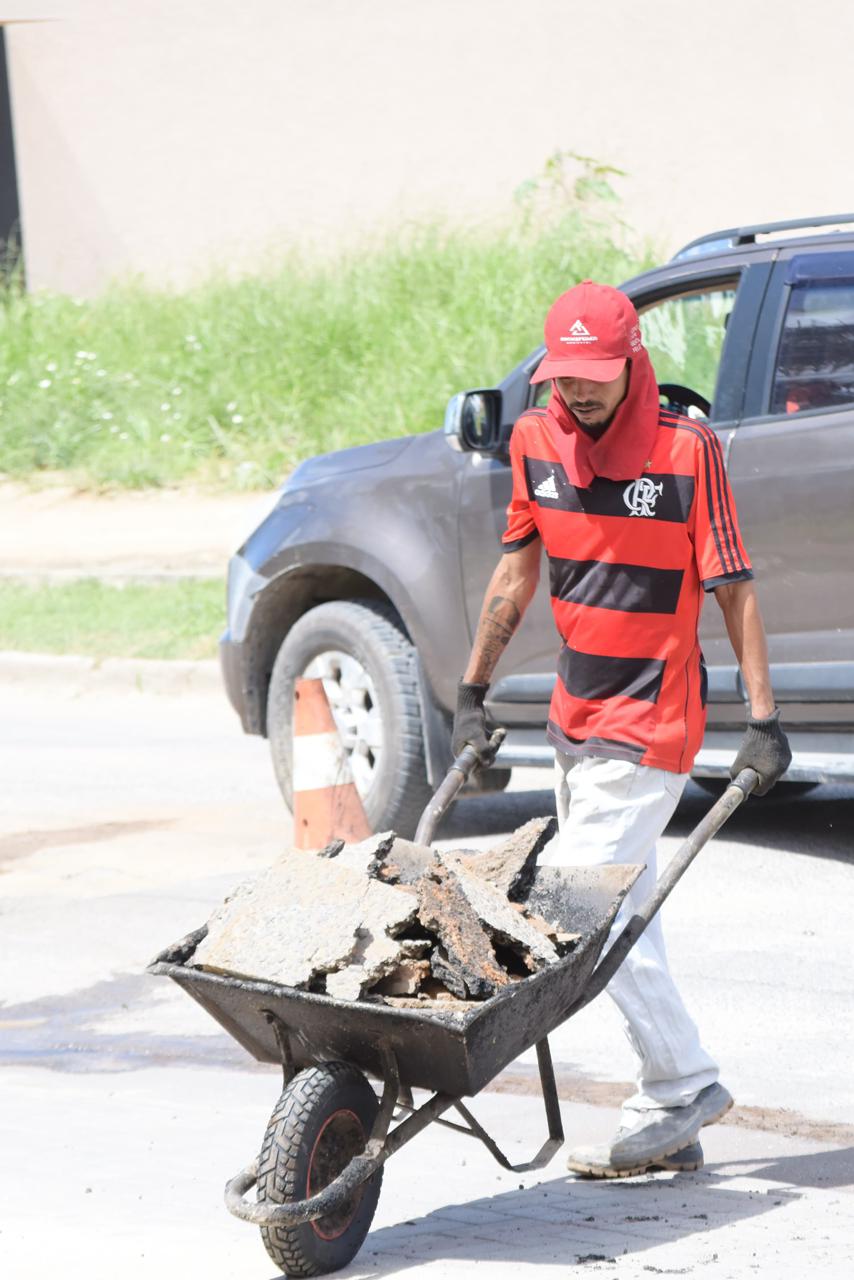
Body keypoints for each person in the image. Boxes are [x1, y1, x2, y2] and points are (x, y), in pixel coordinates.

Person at [452, 280, 791, 1178]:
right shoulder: (533, 438)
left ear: (633, 358)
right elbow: (515, 575)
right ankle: (675, 1089)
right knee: (623, 903)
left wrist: (764, 718)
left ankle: (680, 1084)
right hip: (576, 714)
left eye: (596, 375)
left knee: (576, 906)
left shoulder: (688, 450)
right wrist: (472, 691)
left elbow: (735, 585)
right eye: (565, 377)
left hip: (654, 715)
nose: (579, 392)